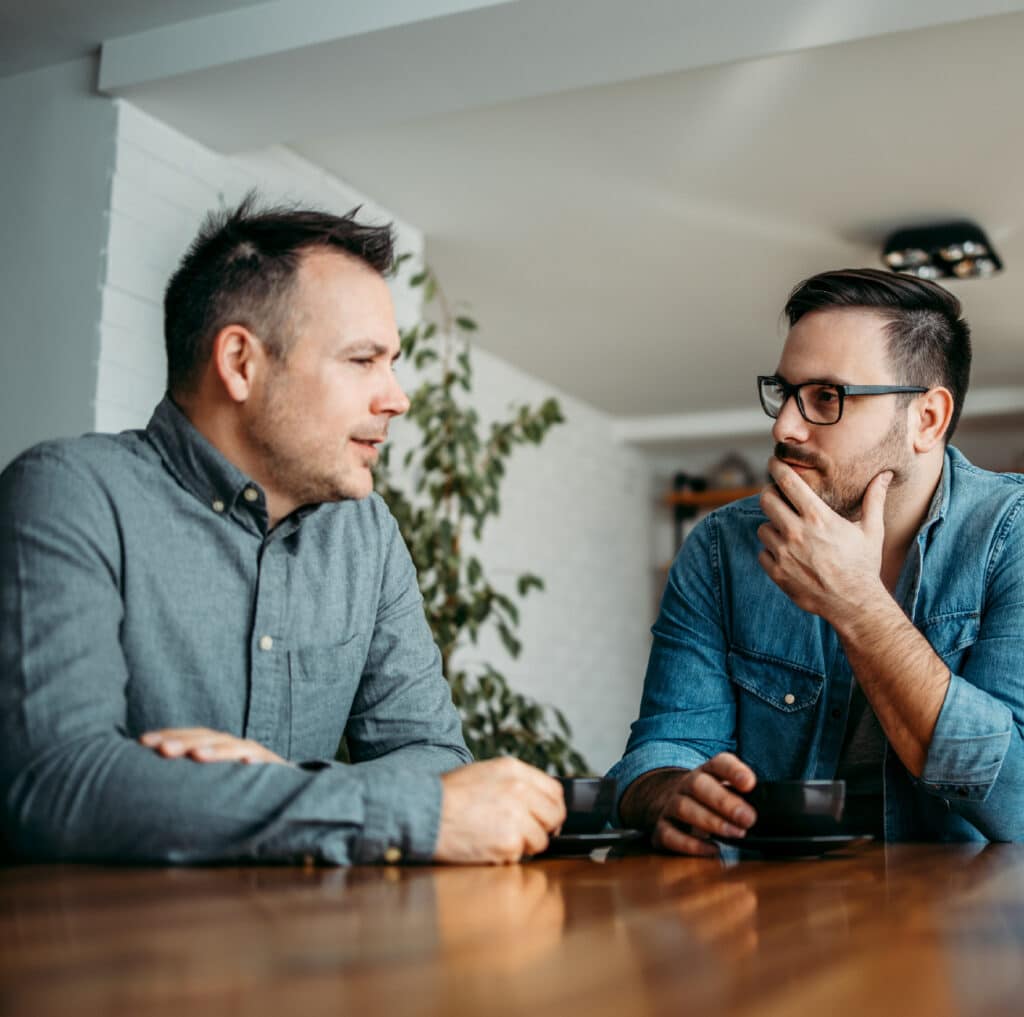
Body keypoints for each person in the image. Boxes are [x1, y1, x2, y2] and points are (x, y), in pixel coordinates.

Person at [0, 195, 565, 865]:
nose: (397, 398)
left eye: (393, 362)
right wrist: (332, 800)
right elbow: (56, 784)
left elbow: (435, 756)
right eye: (363, 360)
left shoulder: (367, 535)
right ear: (241, 362)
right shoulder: (69, 494)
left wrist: (282, 789)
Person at [610, 268, 1024, 852]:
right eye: (785, 393)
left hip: (968, 905)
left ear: (926, 419)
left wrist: (857, 603)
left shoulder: (1012, 536)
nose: (785, 426)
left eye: (827, 397)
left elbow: (1017, 804)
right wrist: (665, 790)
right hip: (771, 901)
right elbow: (665, 746)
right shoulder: (720, 549)